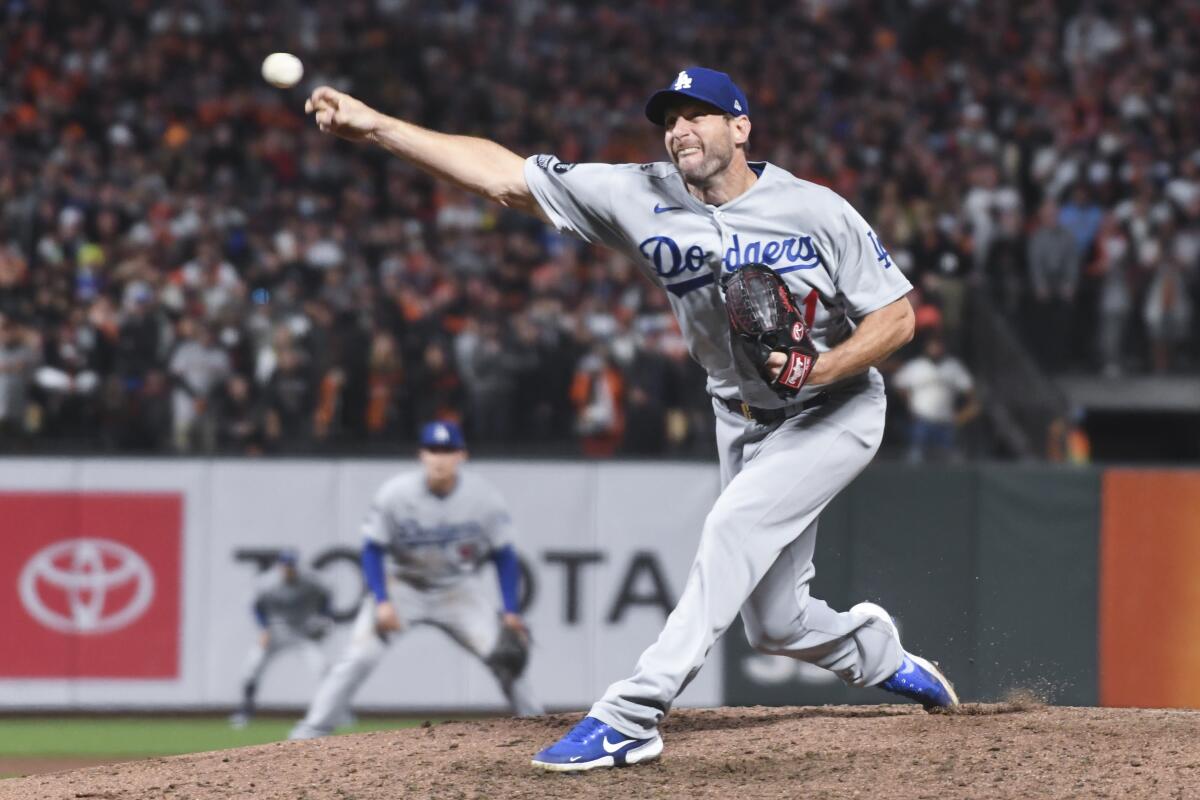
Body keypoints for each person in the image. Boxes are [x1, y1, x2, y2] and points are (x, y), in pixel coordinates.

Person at [303, 65, 958, 771]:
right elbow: (503, 178)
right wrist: (377, 126)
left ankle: (632, 714)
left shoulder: (815, 209)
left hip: (836, 407)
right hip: (741, 418)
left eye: (697, 114)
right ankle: (877, 652)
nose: (678, 129)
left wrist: (820, 369)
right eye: (668, 119)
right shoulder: (637, 194)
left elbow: (896, 317)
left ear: (740, 128)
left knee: (733, 528)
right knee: (774, 624)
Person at [289, 420, 542, 739]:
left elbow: (505, 555)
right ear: (421, 455)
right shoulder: (396, 494)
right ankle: (311, 732)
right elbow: (372, 549)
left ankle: (539, 729)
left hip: (456, 589)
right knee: (358, 658)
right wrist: (381, 601)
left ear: (461, 455)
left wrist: (511, 611)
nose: (439, 458)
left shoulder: (484, 498)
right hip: (403, 586)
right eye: (432, 450)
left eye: (447, 450)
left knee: (507, 658)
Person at [230, 550, 334, 729]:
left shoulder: (309, 581)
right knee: (252, 667)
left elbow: (326, 596)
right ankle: (245, 712)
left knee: (322, 668)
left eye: (291, 566)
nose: (289, 570)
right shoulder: (268, 583)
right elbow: (257, 607)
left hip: (301, 632)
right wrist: (264, 628)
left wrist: (322, 618)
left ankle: (334, 711)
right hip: (275, 631)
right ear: (280, 567)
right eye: (286, 566)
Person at [892, 334, 980, 463]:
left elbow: (969, 390)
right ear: (926, 348)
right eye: (932, 346)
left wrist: (963, 414)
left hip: (945, 422)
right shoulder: (916, 366)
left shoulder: (953, 367)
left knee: (949, 462)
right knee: (916, 460)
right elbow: (899, 384)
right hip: (921, 421)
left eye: (938, 346)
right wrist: (909, 405)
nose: (935, 349)